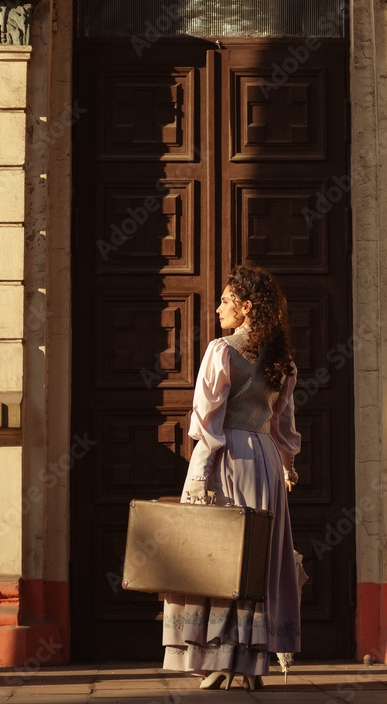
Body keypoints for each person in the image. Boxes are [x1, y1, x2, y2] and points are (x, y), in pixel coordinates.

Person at [162, 264, 301, 690]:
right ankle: (250, 661)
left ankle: (222, 657)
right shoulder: (281, 361)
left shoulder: (222, 350)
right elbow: (282, 424)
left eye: (226, 301)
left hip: (227, 458)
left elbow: (208, 420)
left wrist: (199, 474)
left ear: (247, 307)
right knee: (257, 558)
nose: (219, 308)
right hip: (265, 462)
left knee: (216, 555)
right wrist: (287, 466)